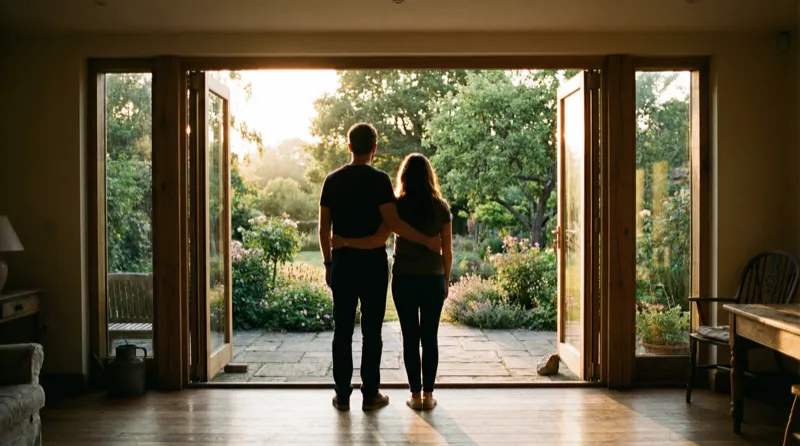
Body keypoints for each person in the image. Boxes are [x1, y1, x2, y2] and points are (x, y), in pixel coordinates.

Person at [318, 123, 442, 412]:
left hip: (343, 265)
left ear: (349, 147)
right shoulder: (380, 180)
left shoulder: (332, 180)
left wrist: (329, 261)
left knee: (342, 331)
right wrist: (426, 240)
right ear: (375, 148)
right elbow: (394, 225)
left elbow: (324, 229)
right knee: (372, 331)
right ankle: (370, 395)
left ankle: (342, 395)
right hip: (373, 265)